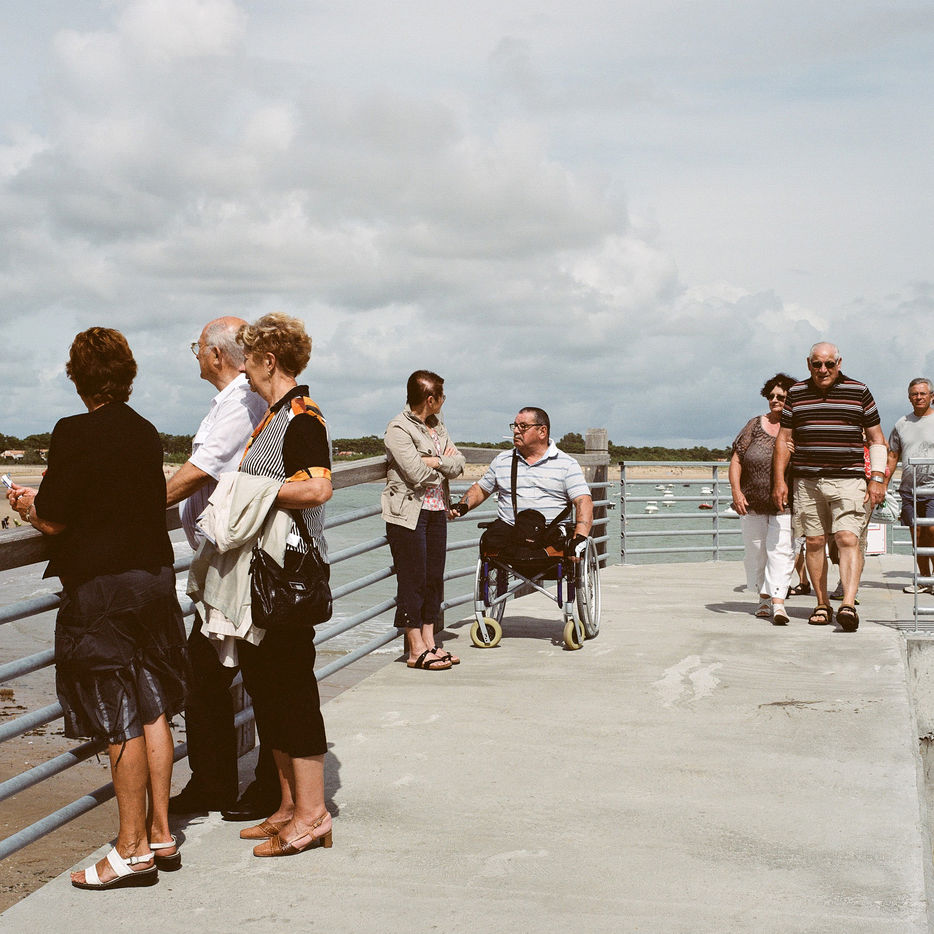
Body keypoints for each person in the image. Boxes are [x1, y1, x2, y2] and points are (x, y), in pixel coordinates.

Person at [7, 328, 188, 889]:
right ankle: (161, 834)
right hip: (153, 580)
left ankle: (131, 852)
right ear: (126, 376)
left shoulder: (73, 431)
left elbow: (55, 518)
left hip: (102, 591)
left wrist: (26, 507)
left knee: (118, 717)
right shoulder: (145, 431)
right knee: (153, 708)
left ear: (77, 378)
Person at [214, 312, 333, 856]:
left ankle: (312, 816)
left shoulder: (303, 417)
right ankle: (287, 806)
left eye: (250, 362)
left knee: (293, 693)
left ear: (269, 360)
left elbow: (318, 488)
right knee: (267, 691)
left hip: (290, 581)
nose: (245, 372)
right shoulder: (274, 417)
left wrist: (246, 490)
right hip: (265, 579)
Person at [165, 317, 276, 821]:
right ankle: (216, 783)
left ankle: (261, 787)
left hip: (238, 565)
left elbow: (199, 472)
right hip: (220, 562)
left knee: (254, 675)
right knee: (209, 674)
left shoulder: (240, 403)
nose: (195, 355)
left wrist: (129, 507)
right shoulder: (230, 401)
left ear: (216, 355)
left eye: (197, 347)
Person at [772, 342, 887, 632]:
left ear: (839, 363)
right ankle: (822, 604)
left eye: (829, 364)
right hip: (806, 481)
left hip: (849, 479)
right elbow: (784, 439)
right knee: (813, 542)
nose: (823, 369)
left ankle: (848, 604)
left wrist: (877, 478)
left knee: (847, 538)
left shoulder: (859, 391)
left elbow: (877, 439)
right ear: (808, 364)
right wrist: (779, 481)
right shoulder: (796, 393)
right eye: (816, 364)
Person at [382, 371, 465, 671]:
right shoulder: (398, 428)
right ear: (431, 399)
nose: (444, 401)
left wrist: (434, 461)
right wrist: (442, 464)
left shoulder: (437, 426)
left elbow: (460, 463)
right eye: (442, 396)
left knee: (433, 579)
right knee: (413, 579)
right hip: (408, 513)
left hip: (437, 509)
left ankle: (430, 641)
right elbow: (415, 473)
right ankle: (415, 648)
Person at [452, 407, 593, 550]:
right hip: (511, 533)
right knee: (490, 540)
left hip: (551, 536)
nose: (516, 430)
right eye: (515, 426)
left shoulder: (567, 464)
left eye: (523, 426)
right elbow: (481, 489)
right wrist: (463, 505)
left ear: (542, 431)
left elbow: (583, 501)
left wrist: (580, 537)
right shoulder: (502, 461)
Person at [729, 373, 797, 624]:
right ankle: (763, 597)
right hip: (753, 500)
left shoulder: (797, 427)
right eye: (771, 396)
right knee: (756, 552)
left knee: (781, 551)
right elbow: (736, 459)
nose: (775, 400)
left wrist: (797, 452)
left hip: (784, 502)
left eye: (781, 396)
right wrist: (736, 491)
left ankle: (777, 602)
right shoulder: (754, 425)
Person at [885, 377, 934, 594]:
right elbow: (892, 455)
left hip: (933, 489)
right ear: (909, 397)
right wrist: (883, 485)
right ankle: (924, 579)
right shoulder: (901, 424)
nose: (919, 397)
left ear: (932, 396)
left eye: (923, 393)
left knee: (932, 530)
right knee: (917, 534)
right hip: (908, 490)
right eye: (915, 394)